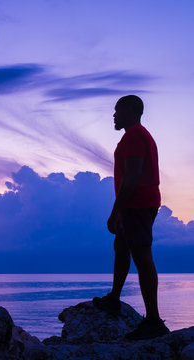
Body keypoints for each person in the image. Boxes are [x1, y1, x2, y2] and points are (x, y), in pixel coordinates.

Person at [92, 95, 169, 340]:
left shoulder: (135, 135)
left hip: (137, 203)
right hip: (138, 203)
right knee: (121, 247)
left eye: (117, 110)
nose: (113, 115)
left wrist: (116, 210)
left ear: (130, 110)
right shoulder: (136, 135)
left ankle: (154, 321)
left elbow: (133, 176)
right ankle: (114, 298)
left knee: (142, 256)